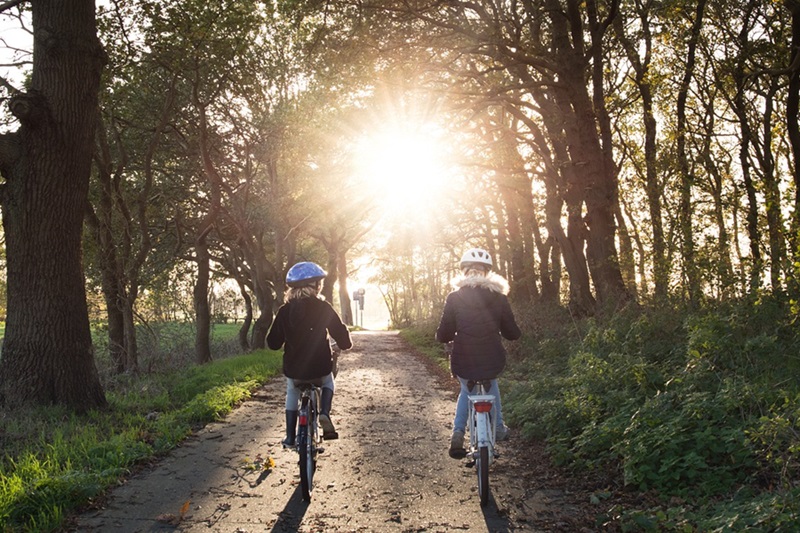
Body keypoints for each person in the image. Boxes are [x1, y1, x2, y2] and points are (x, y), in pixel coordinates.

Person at [435, 248, 522, 459]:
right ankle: (498, 427)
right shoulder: (499, 297)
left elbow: (444, 332)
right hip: (492, 355)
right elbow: (512, 333)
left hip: (463, 357)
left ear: (464, 272)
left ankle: (457, 433)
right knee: (492, 383)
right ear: (487, 273)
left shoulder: (454, 297)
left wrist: (443, 337)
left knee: (466, 389)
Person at [267, 261, 352, 447]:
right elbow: (343, 338)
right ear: (315, 286)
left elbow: (272, 343)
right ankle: (324, 413)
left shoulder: (284, 311)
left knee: (292, 390)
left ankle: (290, 437)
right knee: (328, 381)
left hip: (294, 370)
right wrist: (344, 343)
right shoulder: (324, 308)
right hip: (320, 368)